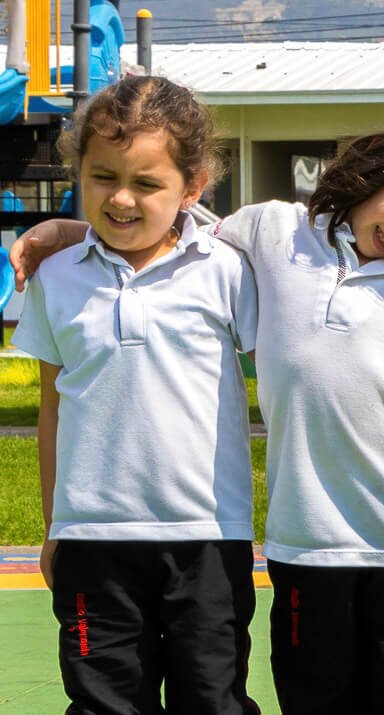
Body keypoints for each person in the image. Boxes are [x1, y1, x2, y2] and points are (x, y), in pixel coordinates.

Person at [12, 100, 384, 714]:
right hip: (305, 546)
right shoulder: (271, 233)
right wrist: (72, 233)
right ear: (383, 165)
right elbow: (164, 224)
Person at [12, 75, 260, 714]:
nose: (121, 199)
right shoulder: (55, 278)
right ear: (80, 172)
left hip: (208, 536)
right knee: (103, 704)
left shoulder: (227, 271)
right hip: (93, 540)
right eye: (103, 177)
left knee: (213, 701)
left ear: (193, 187)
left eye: (147, 184)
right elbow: (53, 408)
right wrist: (55, 527)